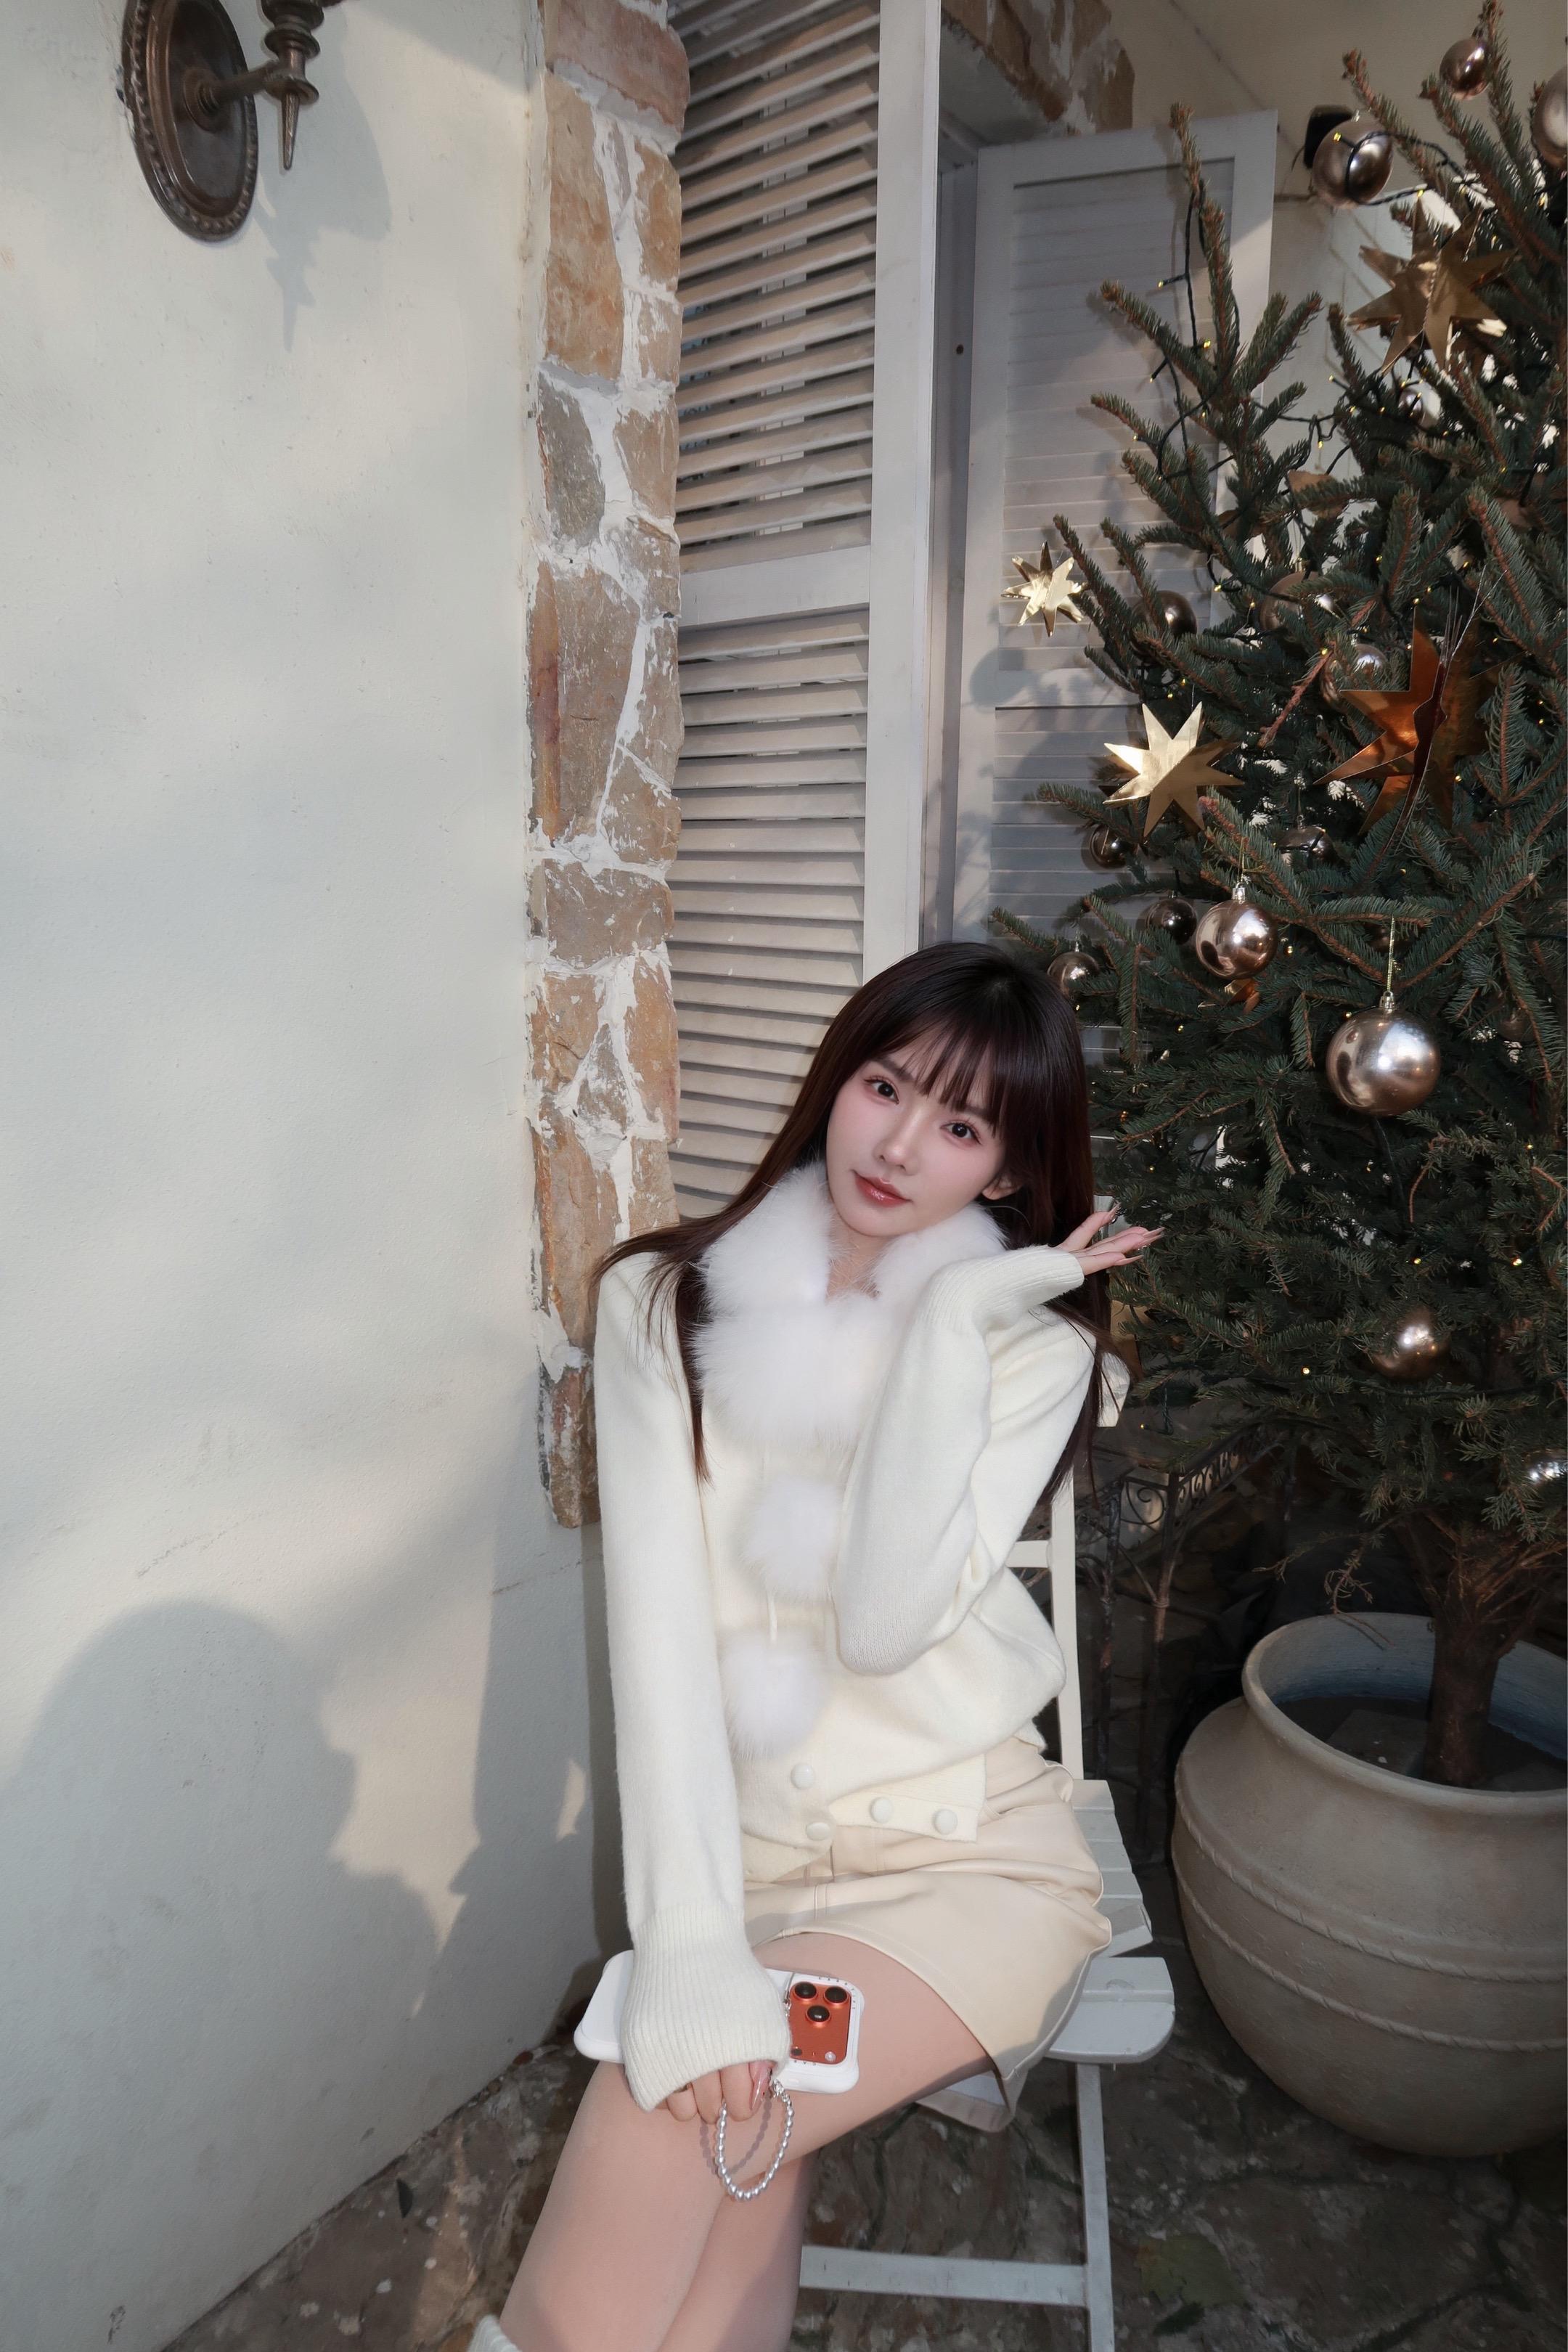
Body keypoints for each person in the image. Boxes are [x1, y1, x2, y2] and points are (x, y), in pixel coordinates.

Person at [476, 942, 1161, 2352]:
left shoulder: (1031, 1351)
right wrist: (687, 1947)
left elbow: (885, 1621)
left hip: (969, 1859)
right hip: (756, 1868)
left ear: (1009, 1173)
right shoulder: (660, 1304)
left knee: (670, 2111)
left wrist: (952, 1321)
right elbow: (659, 1643)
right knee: (733, 2137)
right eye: (886, 1088)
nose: (901, 1147)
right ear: (835, 1080)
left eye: (962, 1127)